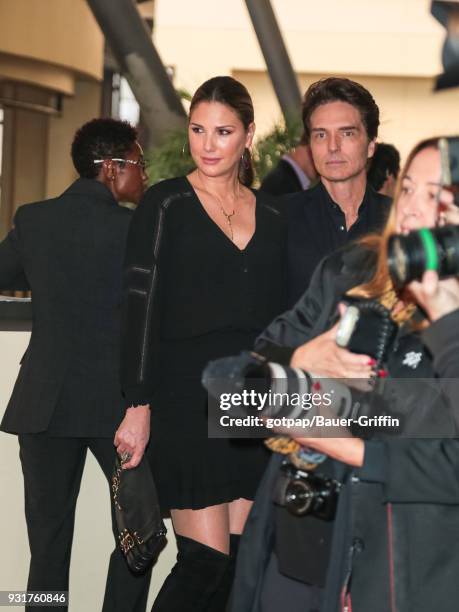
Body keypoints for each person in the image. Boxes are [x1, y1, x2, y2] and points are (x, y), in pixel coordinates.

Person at [231, 136, 459, 612]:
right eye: (409, 190)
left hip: (410, 567)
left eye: (434, 196)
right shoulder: (348, 271)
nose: (414, 210)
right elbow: (234, 396)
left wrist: (345, 441)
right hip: (307, 540)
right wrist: (297, 363)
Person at [118, 75, 287, 611]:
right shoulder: (165, 203)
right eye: (198, 129)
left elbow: (285, 316)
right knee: (204, 564)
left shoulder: (275, 213)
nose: (207, 145)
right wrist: (137, 403)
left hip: (252, 400)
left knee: (240, 566)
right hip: (186, 398)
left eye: (222, 131)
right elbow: (140, 307)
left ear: (247, 135)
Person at [0, 118, 150, 612]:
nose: (143, 174)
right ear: (111, 168)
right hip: (118, 410)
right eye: (138, 162)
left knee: (46, 549)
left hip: (44, 403)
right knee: (137, 539)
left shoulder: (35, 219)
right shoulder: (138, 229)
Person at [287, 77, 391, 306]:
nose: (332, 147)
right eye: (321, 135)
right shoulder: (281, 218)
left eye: (347, 133)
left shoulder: (398, 221)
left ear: (371, 144)